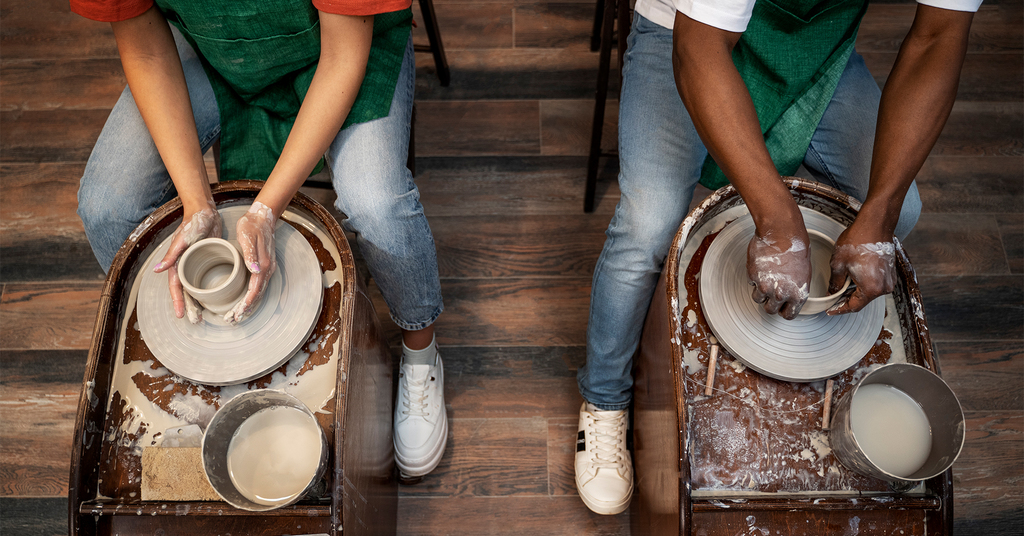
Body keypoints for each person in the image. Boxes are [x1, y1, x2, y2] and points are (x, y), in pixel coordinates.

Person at [574, 0, 981, 515]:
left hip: (812, 49)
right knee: (647, 225)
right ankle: (604, 399)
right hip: (682, 31)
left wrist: (877, 217)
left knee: (901, 213)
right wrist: (776, 221)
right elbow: (699, 51)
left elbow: (937, 38)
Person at [72, 0, 448, 479]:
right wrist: (196, 203)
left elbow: (343, 56)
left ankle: (421, 352)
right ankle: (196, 358)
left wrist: (267, 210)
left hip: (342, 44)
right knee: (108, 207)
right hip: (216, 48)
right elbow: (145, 49)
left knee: (377, 203)